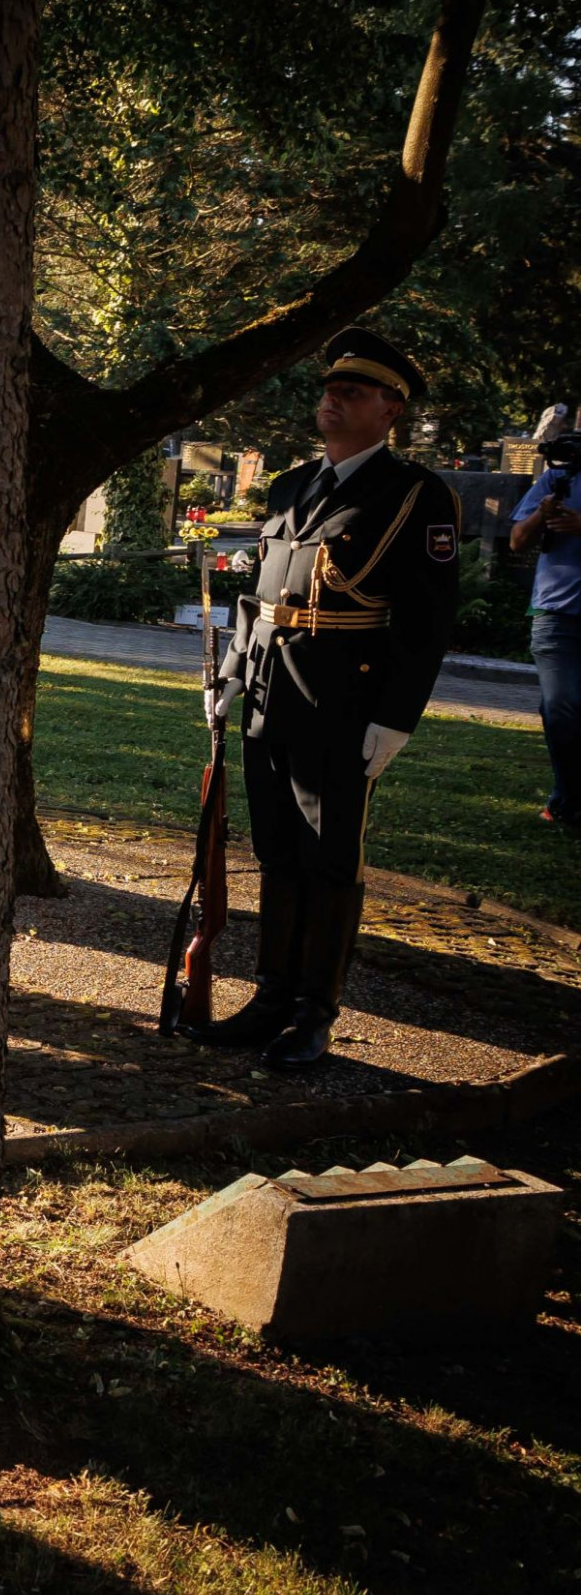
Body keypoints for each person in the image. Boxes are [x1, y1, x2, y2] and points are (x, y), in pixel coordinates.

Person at [203, 327, 459, 1070]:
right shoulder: (291, 486)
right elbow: (262, 597)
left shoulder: (415, 495)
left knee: (329, 857)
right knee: (276, 851)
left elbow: (427, 617)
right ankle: (271, 995)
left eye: (352, 392)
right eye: (330, 389)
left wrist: (395, 717)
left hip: (346, 700)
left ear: (390, 410)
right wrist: (232, 679)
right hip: (269, 693)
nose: (332, 400)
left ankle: (315, 1012)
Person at [515, 433, 581, 832]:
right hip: (555, 614)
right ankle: (569, 802)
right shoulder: (555, 483)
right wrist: (543, 513)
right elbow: (518, 539)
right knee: (560, 709)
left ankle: (566, 802)